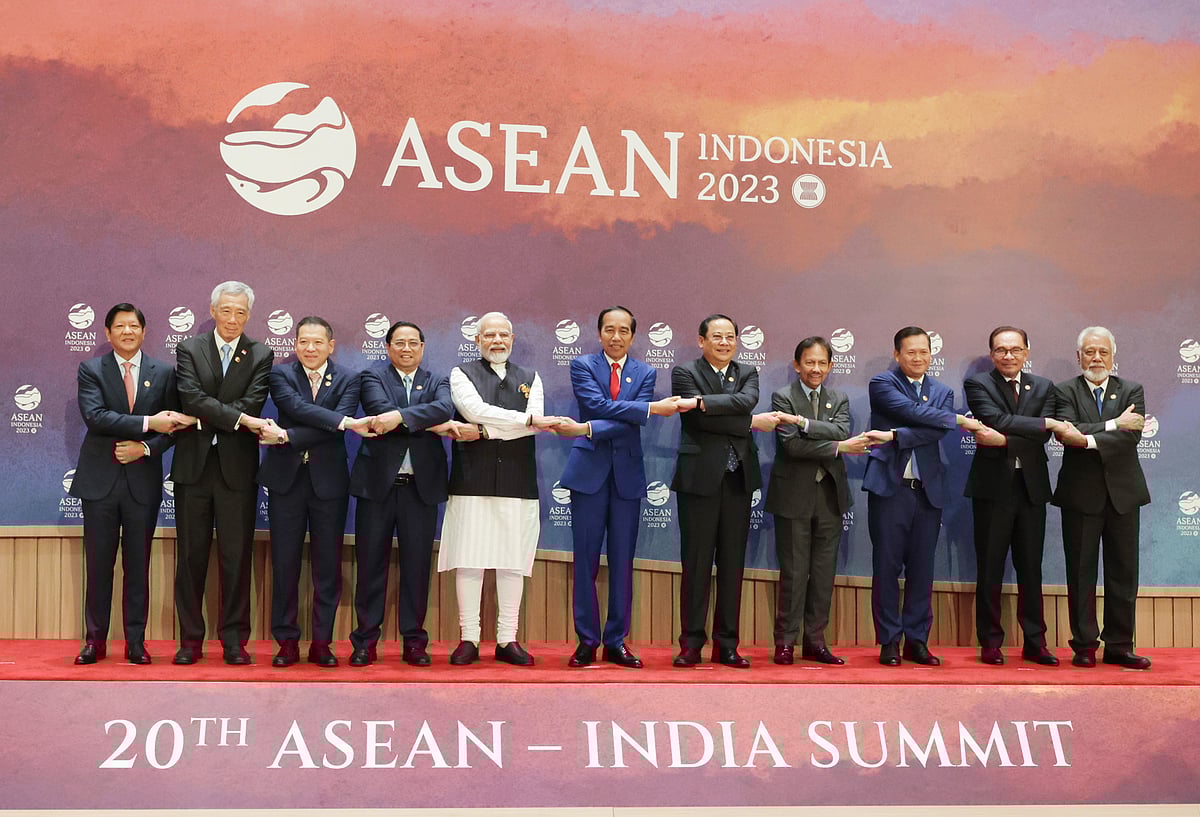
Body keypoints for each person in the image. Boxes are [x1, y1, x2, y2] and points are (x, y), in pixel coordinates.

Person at [558, 306, 687, 669]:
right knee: (585, 562)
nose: (616, 337)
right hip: (588, 474)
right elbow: (594, 405)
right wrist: (645, 408)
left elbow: (629, 425)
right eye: (609, 330)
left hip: (627, 477)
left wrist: (599, 423)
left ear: (633, 336)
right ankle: (586, 641)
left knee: (621, 563)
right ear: (599, 333)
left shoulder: (645, 371)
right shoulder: (582, 365)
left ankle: (616, 641)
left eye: (624, 331)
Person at [70, 303, 193, 665]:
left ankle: (135, 642)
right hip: (99, 483)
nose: (127, 332)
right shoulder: (91, 368)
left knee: (138, 566)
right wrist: (146, 424)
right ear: (107, 334)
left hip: (142, 482)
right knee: (99, 565)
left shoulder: (163, 372)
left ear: (143, 331)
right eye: (120, 326)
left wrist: (144, 447)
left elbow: (173, 428)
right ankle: (94, 641)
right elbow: (96, 417)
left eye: (134, 326)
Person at [437, 312, 560, 666]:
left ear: (513, 338)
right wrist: (523, 420)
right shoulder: (461, 374)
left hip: (517, 480)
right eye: (488, 335)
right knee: (469, 559)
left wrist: (490, 430)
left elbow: (533, 426)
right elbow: (472, 410)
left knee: (512, 562)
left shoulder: (531, 378)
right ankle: (469, 638)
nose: (497, 341)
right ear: (477, 341)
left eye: (503, 335)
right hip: (471, 477)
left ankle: (508, 639)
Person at [670, 313, 791, 668]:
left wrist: (706, 403)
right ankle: (691, 643)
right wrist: (748, 422)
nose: (724, 343)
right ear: (701, 340)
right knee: (695, 564)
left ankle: (727, 644)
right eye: (717, 337)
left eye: (730, 337)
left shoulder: (748, 373)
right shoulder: (685, 372)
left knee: (732, 565)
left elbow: (745, 401)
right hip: (698, 480)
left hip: (738, 479)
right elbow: (695, 419)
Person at [862, 326, 983, 666]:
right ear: (898, 354)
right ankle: (888, 641)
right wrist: (954, 419)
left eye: (924, 352)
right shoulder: (883, 384)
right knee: (886, 567)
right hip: (890, 488)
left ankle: (917, 640)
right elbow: (916, 414)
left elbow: (936, 428)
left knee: (922, 569)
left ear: (932, 355)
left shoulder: (942, 391)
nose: (918, 358)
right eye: (911, 352)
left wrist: (894, 436)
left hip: (928, 491)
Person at [171, 281, 275, 665]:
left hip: (237, 469)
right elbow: (191, 398)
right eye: (226, 311)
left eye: (241, 313)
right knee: (191, 558)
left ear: (249, 315)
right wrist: (239, 418)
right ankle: (190, 641)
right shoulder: (189, 348)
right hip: (193, 469)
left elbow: (255, 399)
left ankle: (234, 640)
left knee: (236, 556)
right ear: (213, 311)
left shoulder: (261, 353)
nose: (233, 319)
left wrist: (211, 417)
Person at [348, 320, 461, 667]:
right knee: (370, 566)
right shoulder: (372, 377)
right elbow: (378, 413)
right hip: (377, 487)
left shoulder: (439, 380)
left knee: (416, 568)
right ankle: (365, 640)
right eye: (399, 343)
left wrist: (399, 418)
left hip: (420, 489)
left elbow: (444, 408)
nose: (407, 349)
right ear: (388, 347)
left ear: (423, 347)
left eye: (413, 343)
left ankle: (414, 641)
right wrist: (422, 422)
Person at [258, 316, 370, 668]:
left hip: (329, 483)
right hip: (285, 481)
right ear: (295, 344)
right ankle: (286, 642)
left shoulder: (351, 379)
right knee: (285, 563)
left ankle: (322, 643)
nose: (309, 348)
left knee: (327, 567)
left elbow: (338, 426)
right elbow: (295, 408)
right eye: (303, 341)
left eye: (317, 342)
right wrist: (337, 421)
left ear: (331, 345)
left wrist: (288, 435)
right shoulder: (280, 374)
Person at [765, 336, 872, 666]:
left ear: (830, 366)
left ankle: (815, 641)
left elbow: (841, 429)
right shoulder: (783, 396)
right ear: (797, 365)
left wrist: (806, 425)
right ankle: (785, 642)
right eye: (809, 362)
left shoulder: (839, 397)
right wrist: (837, 446)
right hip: (793, 495)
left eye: (821, 363)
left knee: (824, 572)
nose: (815, 369)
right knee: (795, 572)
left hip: (830, 496)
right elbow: (792, 447)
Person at [1052, 326, 1151, 669]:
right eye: (1090, 352)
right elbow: (1067, 432)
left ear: (1113, 357)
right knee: (1080, 573)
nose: (1096, 358)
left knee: (1124, 574)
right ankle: (1083, 646)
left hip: (1123, 494)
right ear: (1079, 356)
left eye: (1103, 352)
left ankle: (1120, 646)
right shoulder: (1064, 391)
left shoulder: (1131, 389)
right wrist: (1111, 426)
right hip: (1080, 496)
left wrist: (1088, 438)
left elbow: (1131, 436)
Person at [963, 326, 1063, 666]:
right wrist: (1039, 424)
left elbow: (1041, 436)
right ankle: (991, 642)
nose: (1009, 355)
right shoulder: (978, 384)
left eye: (1015, 349)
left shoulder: (1045, 386)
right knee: (989, 567)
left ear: (1027, 351)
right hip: (992, 489)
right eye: (1001, 350)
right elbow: (992, 418)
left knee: (1031, 569)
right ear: (992, 354)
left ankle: (1035, 642)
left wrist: (1005, 439)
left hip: (1031, 489)